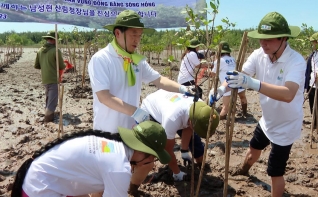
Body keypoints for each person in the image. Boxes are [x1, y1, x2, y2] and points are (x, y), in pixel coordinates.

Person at [88, 10, 194, 195]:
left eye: (140, 35)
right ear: (118, 33)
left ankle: (132, 188)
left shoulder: (136, 61)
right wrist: (135, 111)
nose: (137, 39)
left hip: (131, 132)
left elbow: (158, 80)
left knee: (147, 162)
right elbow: (103, 96)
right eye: (133, 34)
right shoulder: (101, 59)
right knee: (102, 181)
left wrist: (182, 89)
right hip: (107, 132)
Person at [211, 12, 306, 197]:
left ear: (284, 38)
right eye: (261, 39)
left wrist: (253, 83)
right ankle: (244, 170)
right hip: (267, 120)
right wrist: (220, 90)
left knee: (275, 172)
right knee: (253, 151)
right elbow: (237, 75)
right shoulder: (259, 54)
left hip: (286, 126)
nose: (263, 43)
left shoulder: (296, 61)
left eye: (269, 39)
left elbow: (288, 94)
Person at [11, 121, 170, 197]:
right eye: (153, 159)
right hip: (40, 190)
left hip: (36, 180)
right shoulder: (119, 168)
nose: (152, 165)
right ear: (145, 153)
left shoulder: (113, 145)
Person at [140, 89, 219, 181]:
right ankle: (138, 178)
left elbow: (188, 128)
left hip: (170, 104)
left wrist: (184, 150)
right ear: (191, 122)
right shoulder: (172, 119)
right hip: (151, 110)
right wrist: (177, 172)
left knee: (195, 141)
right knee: (155, 145)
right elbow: (167, 150)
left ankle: (201, 164)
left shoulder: (200, 108)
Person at [209, 41, 248, 119]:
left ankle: (221, 119)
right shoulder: (233, 59)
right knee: (242, 97)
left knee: (225, 107)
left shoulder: (219, 61)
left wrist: (208, 70)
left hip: (228, 85)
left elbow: (212, 74)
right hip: (239, 81)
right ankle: (245, 113)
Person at [34, 31, 66, 123]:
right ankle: (47, 119)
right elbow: (61, 66)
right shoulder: (56, 51)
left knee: (48, 98)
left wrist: (46, 65)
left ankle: (47, 114)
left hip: (45, 79)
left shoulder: (40, 51)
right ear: (54, 40)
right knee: (53, 100)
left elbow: (36, 66)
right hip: (53, 79)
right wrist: (65, 65)